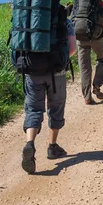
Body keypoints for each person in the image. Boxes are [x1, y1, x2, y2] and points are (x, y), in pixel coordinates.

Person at [21, 16, 77, 174]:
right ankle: (52, 147)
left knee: (33, 109)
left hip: (31, 70)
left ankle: (30, 143)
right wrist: (60, 60)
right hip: (57, 71)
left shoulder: (27, 16)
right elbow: (72, 49)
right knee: (56, 107)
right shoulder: (64, 20)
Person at [76, 0, 103, 104]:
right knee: (102, 59)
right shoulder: (98, 1)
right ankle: (97, 85)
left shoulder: (77, 0)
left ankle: (87, 97)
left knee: (84, 67)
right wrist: (100, 30)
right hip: (96, 37)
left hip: (80, 37)